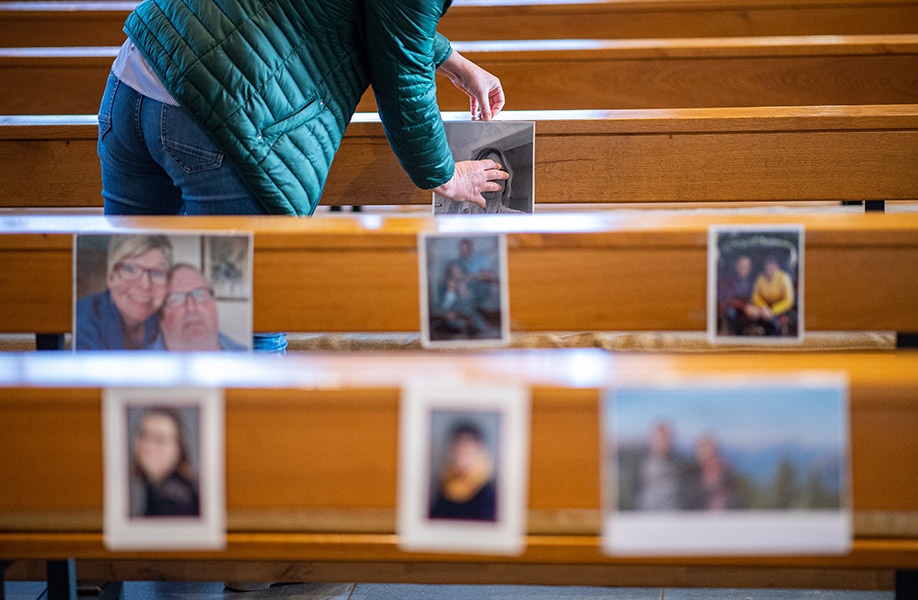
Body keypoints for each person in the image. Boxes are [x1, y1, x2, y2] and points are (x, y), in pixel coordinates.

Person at [97, 0, 510, 353]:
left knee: (131, 316)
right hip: (225, 110)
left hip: (137, 71)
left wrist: (449, 59)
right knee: (245, 333)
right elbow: (401, 69)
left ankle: (102, 445)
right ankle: (248, 445)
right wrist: (444, 174)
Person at [75, 235, 173, 350]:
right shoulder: (82, 320)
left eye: (157, 273)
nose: (145, 285)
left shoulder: (164, 319)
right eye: (130, 269)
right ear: (110, 277)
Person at [147, 263, 247, 351]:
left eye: (200, 294)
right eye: (175, 299)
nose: (191, 308)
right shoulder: (138, 367)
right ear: (160, 317)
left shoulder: (250, 361)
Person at [130, 407, 200, 517]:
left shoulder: (174, 500)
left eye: (159, 439)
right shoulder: (150, 486)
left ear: (177, 449)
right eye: (143, 435)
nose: (148, 445)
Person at [429, 422, 497, 521]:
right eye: (457, 448)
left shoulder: (489, 492)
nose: (461, 454)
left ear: (479, 451)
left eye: (467, 449)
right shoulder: (442, 485)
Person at [446, 147, 524, 214]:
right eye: (485, 170)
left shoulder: (520, 219)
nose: (492, 176)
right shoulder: (461, 218)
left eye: (498, 170)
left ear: (506, 180)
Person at [634, 422, 690, 511]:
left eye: (668, 437)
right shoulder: (640, 464)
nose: (665, 441)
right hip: (648, 517)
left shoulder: (682, 463)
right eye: (661, 437)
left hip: (676, 518)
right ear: (652, 439)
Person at [437, 261, 491, 336]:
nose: (457, 275)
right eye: (453, 272)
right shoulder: (445, 287)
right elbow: (445, 307)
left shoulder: (470, 284)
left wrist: (466, 293)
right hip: (454, 320)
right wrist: (451, 291)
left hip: (471, 317)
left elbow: (478, 300)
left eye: (458, 271)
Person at [750, 254, 796, 335]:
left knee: (773, 323)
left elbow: (789, 301)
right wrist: (764, 307)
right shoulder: (760, 278)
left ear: (777, 266)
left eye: (772, 265)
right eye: (767, 265)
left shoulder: (784, 277)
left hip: (780, 308)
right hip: (765, 308)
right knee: (753, 314)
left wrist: (772, 311)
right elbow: (755, 296)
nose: (769, 268)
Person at [693, 434, 741, 510]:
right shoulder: (693, 472)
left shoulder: (726, 472)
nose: (700, 452)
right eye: (698, 448)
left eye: (704, 447)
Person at [717, 254, 756, 335]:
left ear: (750, 268)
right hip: (734, 309)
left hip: (748, 309)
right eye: (741, 266)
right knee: (731, 313)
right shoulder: (729, 280)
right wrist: (745, 307)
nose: (743, 269)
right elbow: (729, 299)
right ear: (737, 267)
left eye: (746, 266)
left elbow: (755, 296)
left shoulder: (752, 281)